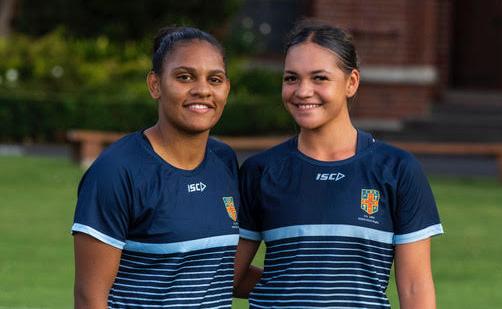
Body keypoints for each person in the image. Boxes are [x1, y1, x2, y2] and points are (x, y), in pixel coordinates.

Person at [234, 20, 443, 308]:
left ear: (351, 82)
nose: (303, 91)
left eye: (319, 78)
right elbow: (230, 275)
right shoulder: (260, 171)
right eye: (291, 78)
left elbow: (415, 287)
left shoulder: (397, 169)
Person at [72, 26, 240, 308]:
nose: (202, 90)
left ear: (226, 88)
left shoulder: (223, 160)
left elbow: (219, 273)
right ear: (155, 84)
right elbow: (90, 297)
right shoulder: (117, 170)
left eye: (215, 79)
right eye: (184, 77)